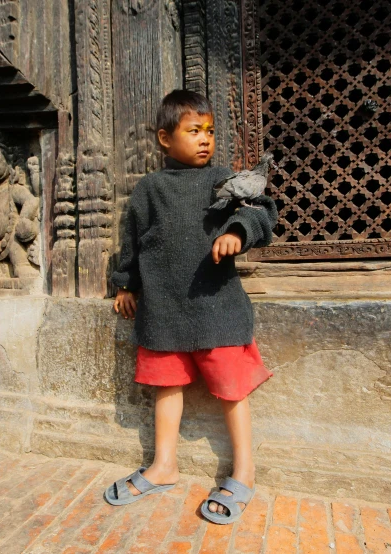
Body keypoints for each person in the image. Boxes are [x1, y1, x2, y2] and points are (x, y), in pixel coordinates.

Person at [104, 90, 278, 525]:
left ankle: (245, 471)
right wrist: (126, 285)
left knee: (232, 390)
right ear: (165, 138)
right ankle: (164, 466)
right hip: (163, 309)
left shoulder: (223, 179)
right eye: (193, 131)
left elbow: (262, 211)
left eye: (210, 131)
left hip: (217, 308)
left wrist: (237, 230)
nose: (205, 139)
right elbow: (133, 242)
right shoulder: (150, 189)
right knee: (167, 386)